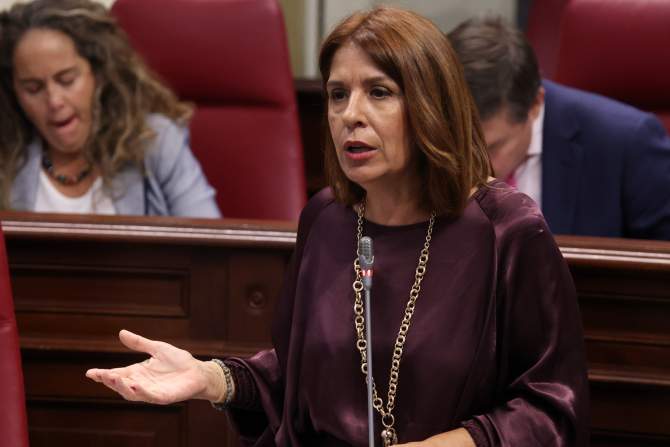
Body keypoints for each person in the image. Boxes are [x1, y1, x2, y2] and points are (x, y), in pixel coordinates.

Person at [86, 7, 589, 446]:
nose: (351, 114)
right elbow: (299, 378)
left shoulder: (507, 230)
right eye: (337, 94)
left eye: (379, 92)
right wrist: (208, 377)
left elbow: (552, 410)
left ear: (432, 105)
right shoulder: (327, 218)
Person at [448, 17, 670, 240]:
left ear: (535, 104)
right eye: (461, 145)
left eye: (491, 148)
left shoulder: (627, 143)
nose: (472, 165)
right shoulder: (433, 132)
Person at [0, 0, 221, 217]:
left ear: (99, 73)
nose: (54, 101)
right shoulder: (6, 152)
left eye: (67, 80)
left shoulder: (156, 140)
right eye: (33, 88)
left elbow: (207, 238)